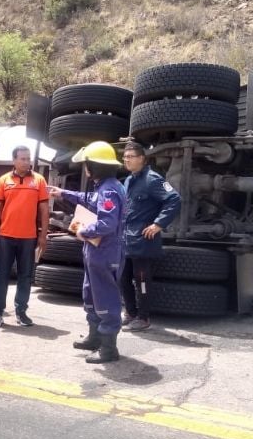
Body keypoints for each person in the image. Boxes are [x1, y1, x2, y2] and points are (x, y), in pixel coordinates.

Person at [48, 141, 126, 363]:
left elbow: (107, 223)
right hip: (97, 250)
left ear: (95, 165)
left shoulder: (109, 189)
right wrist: (63, 193)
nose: (85, 168)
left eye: (87, 164)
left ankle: (109, 349)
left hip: (105, 252)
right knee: (91, 294)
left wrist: (84, 230)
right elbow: (88, 199)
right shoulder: (105, 187)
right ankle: (95, 337)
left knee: (105, 297)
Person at [120, 142, 181, 332]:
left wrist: (158, 224)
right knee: (122, 278)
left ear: (142, 159)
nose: (126, 160)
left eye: (130, 157)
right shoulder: (129, 180)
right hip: (126, 239)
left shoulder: (153, 179)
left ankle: (143, 317)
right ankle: (130, 312)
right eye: (125, 157)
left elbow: (174, 199)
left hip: (143, 242)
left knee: (142, 281)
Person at [0, 145, 49, 328]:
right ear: (14, 160)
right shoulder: (4, 180)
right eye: (22, 158)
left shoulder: (39, 181)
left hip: (28, 238)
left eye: (28, 159)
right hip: (6, 236)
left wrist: (43, 236)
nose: (26, 162)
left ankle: (21, 312)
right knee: (1, 276)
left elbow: (44, 210)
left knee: (25, 276)